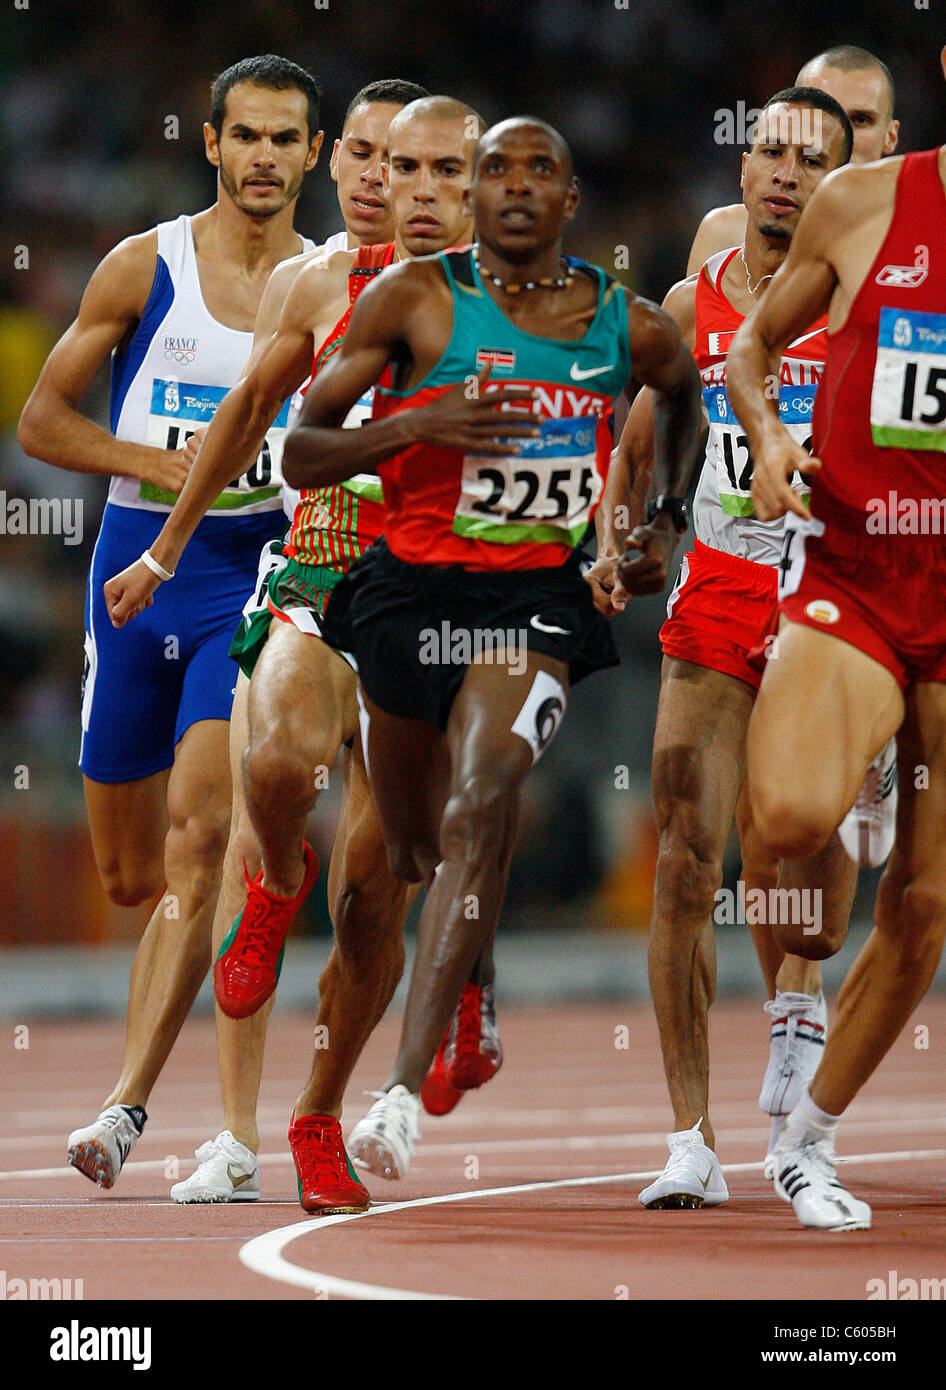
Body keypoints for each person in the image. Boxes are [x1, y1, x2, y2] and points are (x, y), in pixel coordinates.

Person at [281, 116, 703, 1186]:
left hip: (535, 605)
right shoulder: (412, 299)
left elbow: (683, 393)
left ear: (570, 201)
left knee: (481, 804)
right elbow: (303, 449)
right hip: (405, 597)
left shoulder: (626, 323)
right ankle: (472, 974)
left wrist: (660, 522)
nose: (515, 188)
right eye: (494, 170)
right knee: (415, 854)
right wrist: (414, 427)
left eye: (539, 171)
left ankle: (395, 1098)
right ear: (469, 194)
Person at [105, 96, 501, 1211]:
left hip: (441, 603)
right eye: (382, 160)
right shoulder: (318, 283)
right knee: (273, 772)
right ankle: (279, 874)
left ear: (477, 185)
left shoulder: (528, 303)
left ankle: (317, 1111)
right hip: (323, 575)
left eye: (433, 168)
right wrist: (168, 551)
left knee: (382, 886)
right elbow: (243, 415)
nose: (403, 185)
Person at [17, 55, 324, 1189]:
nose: (262, 158)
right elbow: (43, 420)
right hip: (137, 567)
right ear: (210, 143)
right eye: (244, 136)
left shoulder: (328, 281)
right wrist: (162, 462)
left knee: (207, 836)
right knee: (132, 873)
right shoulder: (144, 264)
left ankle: (128, 1109)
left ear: (313, 155)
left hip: (248, 569)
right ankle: (167, 1039)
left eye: (285, 139)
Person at [593, 90, 856, 1208]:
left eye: (811, 159)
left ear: (839, 181)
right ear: (740, 170)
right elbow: (638, 442)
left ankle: (801, 1010)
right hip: (714, 599)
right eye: (767, 153)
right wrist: (612, 535)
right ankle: (689, 1138)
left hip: (831, 607)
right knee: (687, 858)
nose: (784, 175)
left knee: (799, 868)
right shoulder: (685, 304)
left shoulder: (864, 306)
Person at [726, 45, 946, 1231]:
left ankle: (805, 1140)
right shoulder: (863, 200)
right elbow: (753, 347)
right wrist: (764, 437)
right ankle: (844, 747)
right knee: (796, 830)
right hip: (856, 567)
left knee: (922, 901)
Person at [687, 44, 901, 872]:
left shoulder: (913, 237)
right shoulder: (719, 242)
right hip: (735, 557)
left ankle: (879, 743)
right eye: (786, 136)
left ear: (884, 141)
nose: (797, 159)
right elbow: (697, 380)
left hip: (871, 549)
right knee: (745, 814)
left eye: (848, 129)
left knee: (883, 862)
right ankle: (798, 1001)